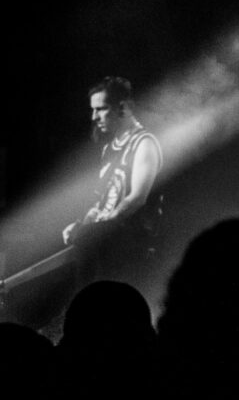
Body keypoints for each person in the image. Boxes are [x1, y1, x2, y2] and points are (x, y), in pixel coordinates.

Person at [62, 76, 163, 286]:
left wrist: (98, 229)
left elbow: (137, 198)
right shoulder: (109, 149)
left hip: (133, 244)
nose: (94, 117)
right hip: (106, 243)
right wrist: (83, 224)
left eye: (101, 109)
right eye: (93, 110)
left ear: (123, 107)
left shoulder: (144, 143)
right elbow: (101, 203)